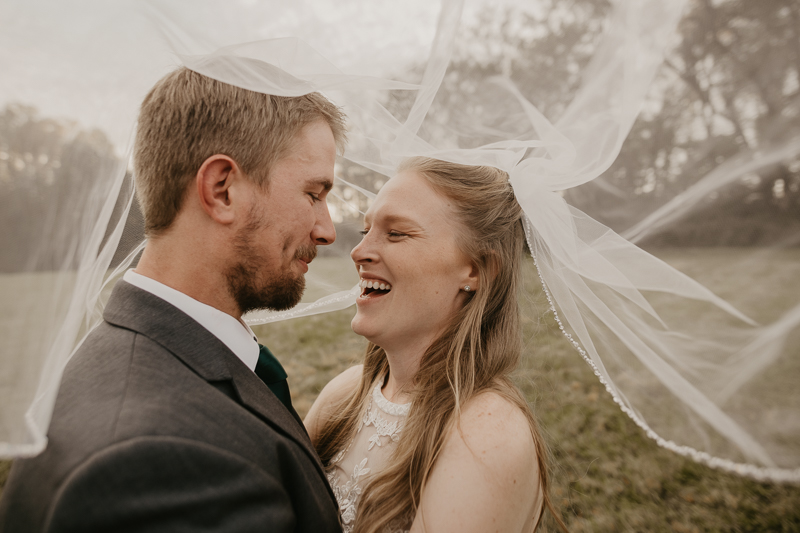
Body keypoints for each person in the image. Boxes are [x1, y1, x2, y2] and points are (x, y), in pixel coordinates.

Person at [0, 67, 346, 532]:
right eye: (314, 193)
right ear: (222, 189)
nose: (327, 230)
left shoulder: (129, 354)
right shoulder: (156, 467)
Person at [305, 157, 567, 533]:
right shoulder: (343, 396)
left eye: (396, 234)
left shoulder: (486, 436)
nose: (359, 251)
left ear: (476, 271)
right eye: (366, 231)